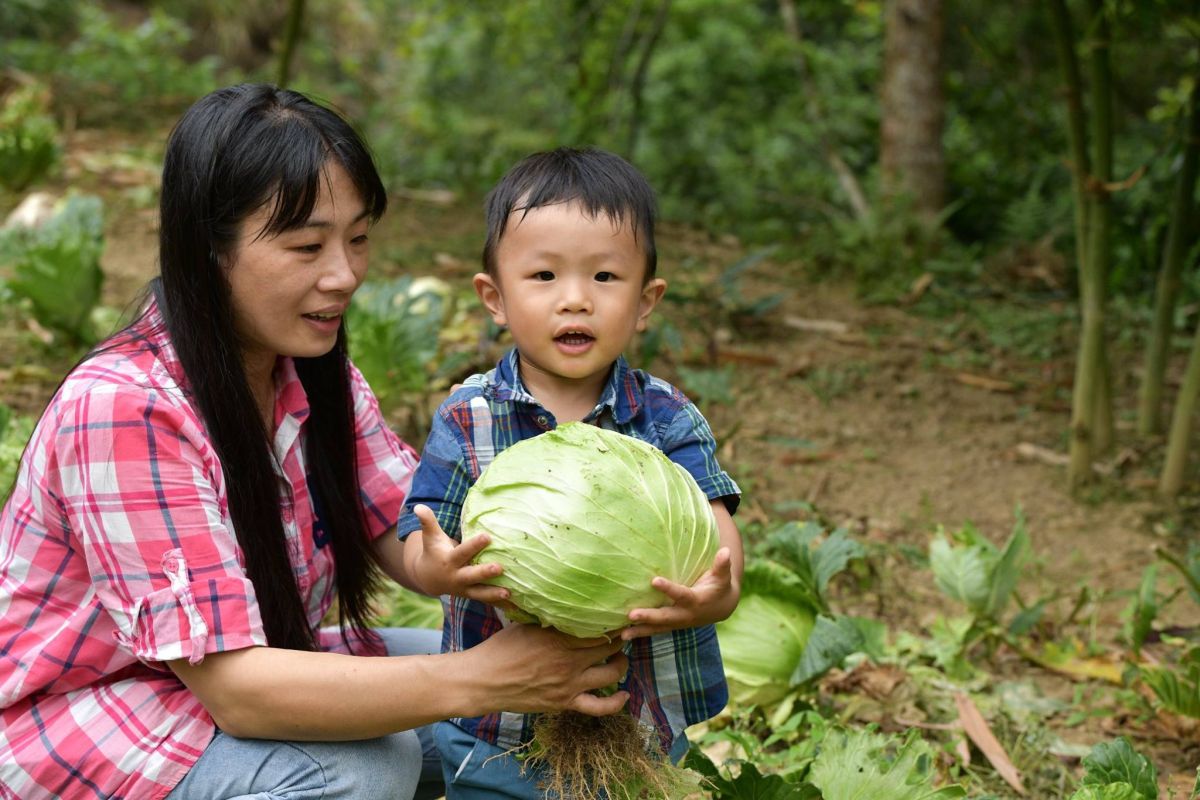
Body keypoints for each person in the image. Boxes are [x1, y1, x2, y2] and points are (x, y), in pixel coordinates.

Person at [0, 85, 630, 800]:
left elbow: (409, 528)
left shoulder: (310, 372)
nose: (345, 274)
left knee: (520, 694)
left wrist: (567, 565)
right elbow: (239, 692)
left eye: (358, 238)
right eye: (307, 245)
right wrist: (475, 680)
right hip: (85, 726)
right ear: (208, 248)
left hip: (235, 681)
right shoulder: (123, 408)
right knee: (361, 769)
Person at [394, 146, 744, 798]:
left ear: (646, 301)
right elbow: (422, 541)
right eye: (545, 276)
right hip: (495, 730)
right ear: (493, 297)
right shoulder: (468, 417)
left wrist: (711, 597)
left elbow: (721, 560)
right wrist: (436, 568)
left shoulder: (667, 419)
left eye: (606, 278)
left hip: (637, 726)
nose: (576, 300)